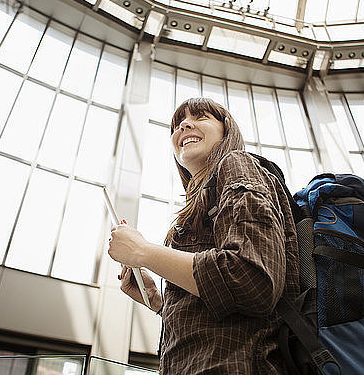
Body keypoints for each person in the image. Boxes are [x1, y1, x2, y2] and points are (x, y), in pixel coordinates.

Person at [108, 97, 299, 374]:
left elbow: (252, 279)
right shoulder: (197, 203)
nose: (184, 125)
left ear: (226, 130)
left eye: (201, 117)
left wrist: (144, 252)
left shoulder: (236, 163)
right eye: (178, 123)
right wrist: (159, 302)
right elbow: (217, 322)